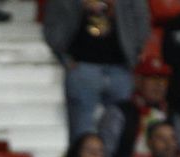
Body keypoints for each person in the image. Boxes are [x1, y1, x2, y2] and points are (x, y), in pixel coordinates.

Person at [44, 0, 149, 145]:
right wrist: (65, 58)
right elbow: (52, 23)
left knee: (119, 132)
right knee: (81, 135)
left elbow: (142, 19)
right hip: (82, 67)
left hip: (120, 69)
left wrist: (133, 54)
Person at [112, 55, 172, 157]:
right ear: (138, 80)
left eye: (163, 79)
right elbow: (107, 154)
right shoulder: (119, 112)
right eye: (153, 78)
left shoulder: (171, 114)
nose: (159, 84)